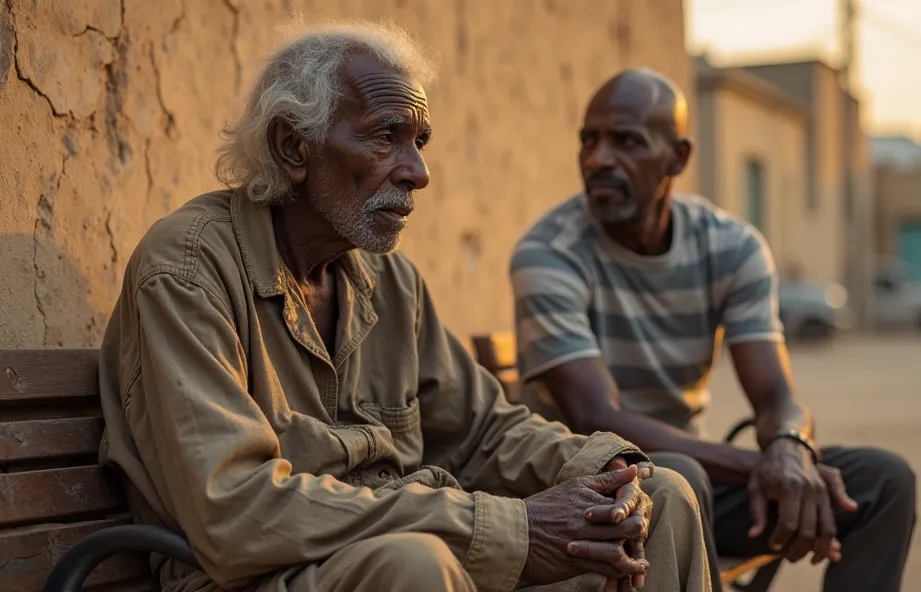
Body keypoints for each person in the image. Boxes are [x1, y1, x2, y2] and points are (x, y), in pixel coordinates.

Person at [97, 24, 712, 592]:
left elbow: (482, 433)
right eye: (385, 137)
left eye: (419, 142)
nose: (417, 172)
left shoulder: (388, 280)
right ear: (293, 147)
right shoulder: (186, 268)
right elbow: (235, 508)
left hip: (410, 549)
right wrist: (508, 528)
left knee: (663, 500)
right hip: (259, 575)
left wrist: (610, 469)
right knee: (415, 562)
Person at [509, 68, 916, 592]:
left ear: (678, 157)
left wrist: (790, 450)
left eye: (626, 141)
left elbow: (775, 395)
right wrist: (759, 466)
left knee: (883, 482)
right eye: (589, 140)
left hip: (695, 476)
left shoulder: (730, 247)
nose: (599, 159)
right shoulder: (549, 253)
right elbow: (596, 415)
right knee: (681, 477)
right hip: (589, 486)